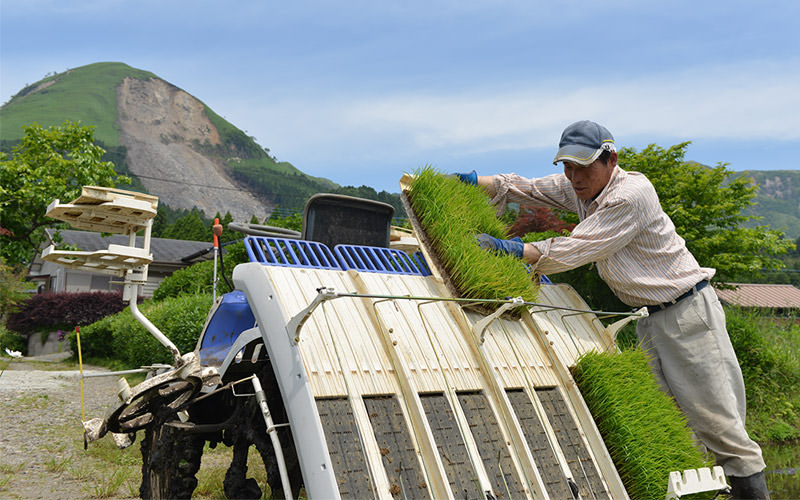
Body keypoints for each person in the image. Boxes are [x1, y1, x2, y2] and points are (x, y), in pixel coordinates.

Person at [454, 120, 769, 500]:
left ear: (611, 159)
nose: (573, 177)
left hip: (688, 314)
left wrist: (511, 249)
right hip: (648, 318)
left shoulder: (630, 195)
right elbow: (529, 187)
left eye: (583, 167)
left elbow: (578, 248)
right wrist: (474, 182)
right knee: (666, 422)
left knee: (719, 427)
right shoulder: (581, 187)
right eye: (567, 167)